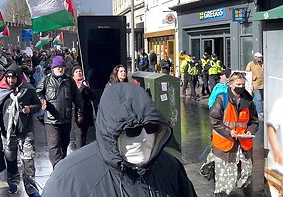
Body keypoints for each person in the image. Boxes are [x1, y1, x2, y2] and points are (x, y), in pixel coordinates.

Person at [42, 83, 196, 196]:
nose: (144, 138)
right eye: (132, 130)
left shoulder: (170, 168)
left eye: (151, 128)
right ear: (111, 133)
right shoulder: (68, 179)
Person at [0, 64, 41, 196]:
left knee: (28, 160)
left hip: (25, 131)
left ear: (18, 77)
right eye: (8, 78)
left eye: (13, 78)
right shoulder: (1, 90)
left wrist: (30, 109)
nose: (11, 81)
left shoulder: (28, 89)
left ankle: (31, 188)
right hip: (7, 132)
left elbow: (38, 104)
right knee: (10, 158)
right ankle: (13, 181)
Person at [209, 72, 258, 196]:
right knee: (223, 180)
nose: (241, 86)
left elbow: (254, 121)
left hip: (244, 144)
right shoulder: (222, 99)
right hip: (225, 145)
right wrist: (228, 132)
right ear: (231, 85)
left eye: (243, 84)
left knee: (247, 176)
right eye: (238, 84)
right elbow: (214, 120)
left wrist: (250, 131)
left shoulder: (249, 102)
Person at [36, 56, 84, 168]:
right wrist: (42, 101)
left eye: (62, 67)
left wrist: (79, 113)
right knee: (54, 146)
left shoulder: (69, 81)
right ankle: (57, 169)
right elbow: (37, 93)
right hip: (51, 119)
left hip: (66, 119)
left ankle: (62, 167)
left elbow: (78, 99)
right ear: (53, 68)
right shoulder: (46, 80)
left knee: (64, 144)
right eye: (57, 67)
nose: (60, 69)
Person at [72, 65, 96, 149]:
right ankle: (79, 152)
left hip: (86, 112)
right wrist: (82, 87)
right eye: (76, 72)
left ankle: (82, 149)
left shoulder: (86, 82)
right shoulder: (72, 84)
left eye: (80, 71)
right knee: (79, 134)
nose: (79, 73)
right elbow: (77, 96)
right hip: (77, 113)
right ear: (73, 74)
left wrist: (88, 89)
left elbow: (93, 97)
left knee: (84, 134)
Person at [246, 52, 264, 117]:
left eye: (261, 57)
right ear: (255, 57)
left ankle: (256, 110)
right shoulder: (250, 64)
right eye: (259, 57)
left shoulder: (262, 64)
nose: (260, 59)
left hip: (262, 84)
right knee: (258, 98)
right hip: (255, 84)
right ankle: (260, 112)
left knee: (260, 98)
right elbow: (247, 73)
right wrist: (253, 79)